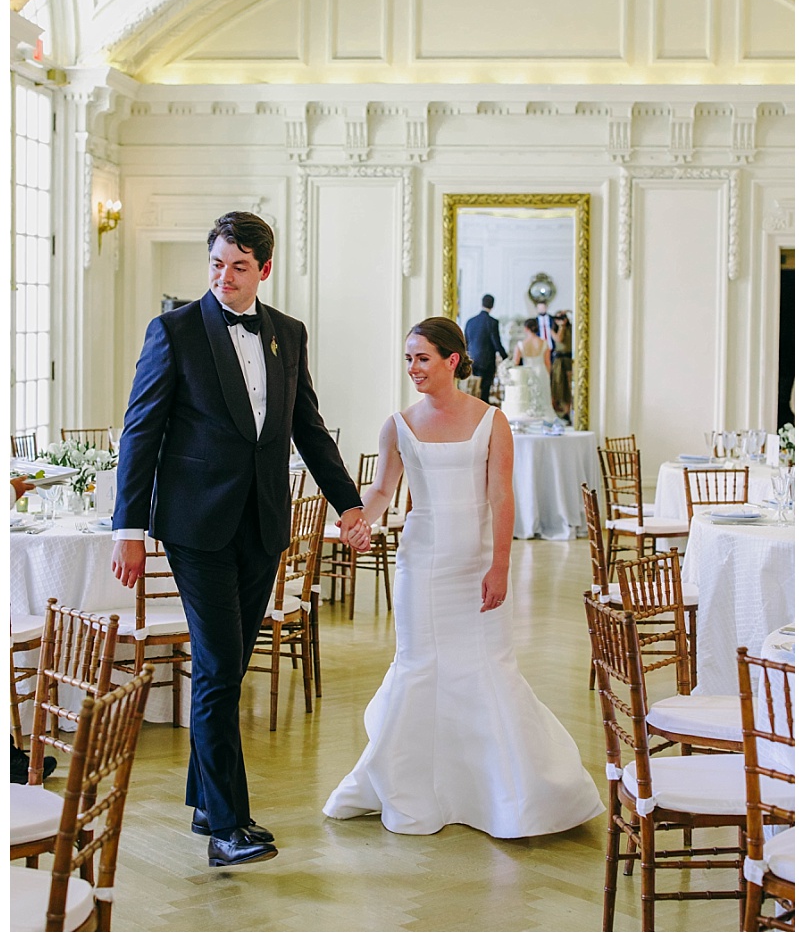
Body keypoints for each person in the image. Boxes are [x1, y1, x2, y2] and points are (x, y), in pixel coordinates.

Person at [111, 211, 370, 868]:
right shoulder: (172, 332)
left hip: (261, 524)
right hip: (195, 527)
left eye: (239, 267)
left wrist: (350, 504)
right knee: (223, 668)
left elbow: (307, 428)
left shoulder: (286, 334)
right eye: (217, 264)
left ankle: (204, 799)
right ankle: (228, 827)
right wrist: (130, 528)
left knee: (225, 665)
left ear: (265, 270)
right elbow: (140, 432)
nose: (225, 278)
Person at [323, 318, 603, 837]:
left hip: (475, 563)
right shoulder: (398, 424)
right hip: (422, 565)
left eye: (423, 358)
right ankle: (414, 791)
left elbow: (501, 497)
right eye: (408, 359)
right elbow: (383, 491)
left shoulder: (492, 421)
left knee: (486, 668)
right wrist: (358, 518)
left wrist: (501, 565)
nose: (413, 369)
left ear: (452, 361)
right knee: (419, 665)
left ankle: (501, 795)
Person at [463, 294, 507, 404]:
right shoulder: (492, 322)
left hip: (472, 360)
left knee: (472, 388)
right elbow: (496, 343)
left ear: (482, 303)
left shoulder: (470, 321)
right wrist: (506, 357)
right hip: (487, 361)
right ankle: (483, 410)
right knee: (484, 391)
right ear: (492, 305)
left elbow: (466, 342)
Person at [549, 312, 574, 421]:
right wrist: (561, 326)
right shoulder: (554, 330)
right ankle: (559, 411)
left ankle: (567, 411)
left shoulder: (571, 329)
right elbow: (559, 339)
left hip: (569, 359)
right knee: (558, 385)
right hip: (559, 360)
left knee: (568, 387)